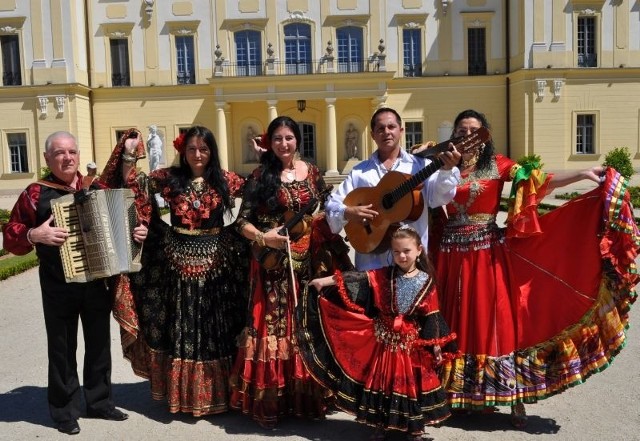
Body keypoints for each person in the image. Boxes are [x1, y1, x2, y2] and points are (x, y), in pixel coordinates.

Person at [420, 109, 639, 428]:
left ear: (484, 136)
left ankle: (512, 394)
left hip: (485, 254)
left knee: (492, 323)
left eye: (473, 129)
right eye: (461, 129)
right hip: (448, 255)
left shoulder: (498, 165)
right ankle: (456, 395)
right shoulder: (440, 166)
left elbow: (538, 180)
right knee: (453, 321)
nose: (467, 134)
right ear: (453, 134)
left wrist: (581, 174)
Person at [2, 131, 148, 435]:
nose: (67, 158)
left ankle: (99, 402)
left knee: (98, 345)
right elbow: (11, 234)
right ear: (47, 159)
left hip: (96, 281)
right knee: (61, 348)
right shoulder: (35, 193)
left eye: (71, 152)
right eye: (59, 153)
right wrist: (33, 235)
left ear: (78, 155)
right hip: (57, 284)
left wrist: (136, 233)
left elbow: (124, 217)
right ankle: (64, 410)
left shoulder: (95, 187)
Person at [105, 126, 248, 417]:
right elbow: (134, 185)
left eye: (204, 149)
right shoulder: (170, 178)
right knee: (184, 324)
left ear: (212, 152)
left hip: (217, 265)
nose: (198, 154)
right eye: (192, 149)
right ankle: (185, 396)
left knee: (214, 325)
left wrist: (265, 157)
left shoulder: (225, 179)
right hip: (177, 260)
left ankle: (221, 393)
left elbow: (259, 193)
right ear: (184, 151)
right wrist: (131, 153)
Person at [229, 115, 353, 429]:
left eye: (289, 137)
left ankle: (307, 396)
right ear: (270, 143)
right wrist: (263, 236)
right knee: (273, 326)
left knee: (305, 322)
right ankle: (275, 398)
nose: (284, 144)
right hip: (272, 263)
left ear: (297, 139)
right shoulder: (260, 175)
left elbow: (326, 210)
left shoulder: (312, 173)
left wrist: (327, 224)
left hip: (306, 260)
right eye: (278, 139)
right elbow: (240, 222)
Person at [298, 225, 458, 441]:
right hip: (383, 340)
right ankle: (381, 425)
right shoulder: (384, 275)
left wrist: (435, 344)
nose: (401, 255)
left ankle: (413, 429)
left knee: (409, 385)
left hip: (409, 343)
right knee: (383, 384)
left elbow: (431, 315)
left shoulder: (427, 281)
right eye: (396, 251)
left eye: (406, 251)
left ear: (419, 250)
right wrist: (324, 281)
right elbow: (355, 278)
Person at [325, 107, 461, 271]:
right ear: (372, 135)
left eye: (391, 127)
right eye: (380, 129)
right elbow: (332, 205)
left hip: (412, 265)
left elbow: (440, 197)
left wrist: (446, 170)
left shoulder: (420, 166)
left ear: (401, 130)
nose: (386, 132)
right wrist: (348, 212)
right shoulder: (359, 171)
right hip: (372, 264)